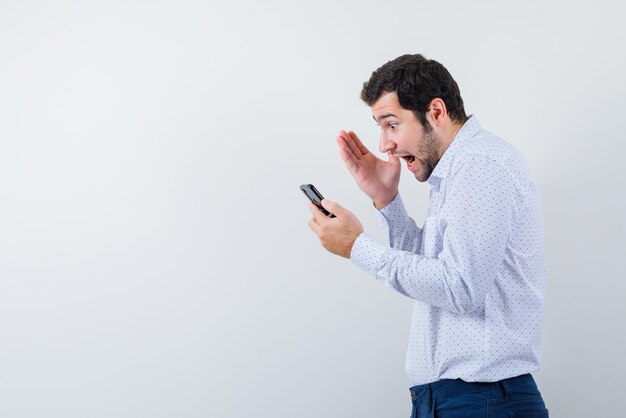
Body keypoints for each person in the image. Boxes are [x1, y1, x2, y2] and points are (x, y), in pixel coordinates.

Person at [306, 54, 549, 417]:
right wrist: (386, 201)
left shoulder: (480, 165)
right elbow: (432, 276)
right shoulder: (456, 171)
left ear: (436, 112)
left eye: (392, 124)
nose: (384, 144)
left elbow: (459, 289)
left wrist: (357, 247)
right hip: (457, 401)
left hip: (482, 402)